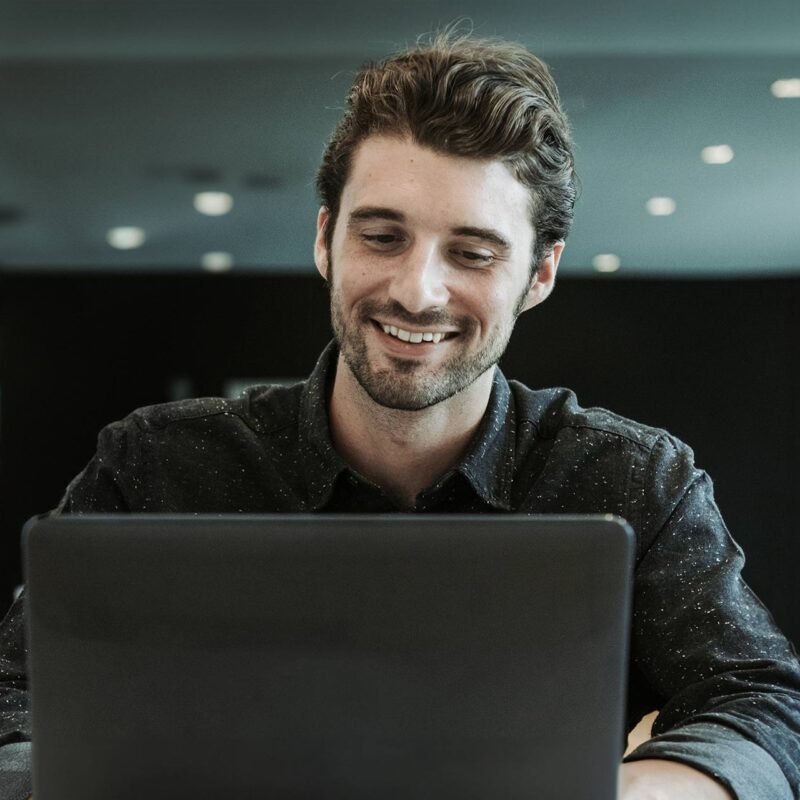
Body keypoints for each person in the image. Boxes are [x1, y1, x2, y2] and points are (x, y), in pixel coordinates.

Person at [1, 31, 799, 800]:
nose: (418, 291)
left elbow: (765, 704)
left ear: (541, 272)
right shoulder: (159, 464)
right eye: (382, 236)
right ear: (326, 240)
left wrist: (646, 790)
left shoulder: (629, 479)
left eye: (473, 253)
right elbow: (14, 700)